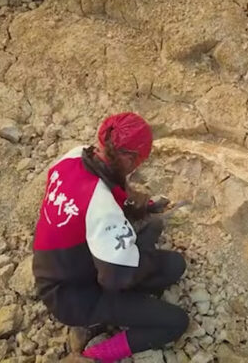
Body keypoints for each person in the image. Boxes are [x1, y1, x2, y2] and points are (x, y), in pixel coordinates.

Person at [32, 112, 189, 362]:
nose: (137, 167)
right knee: (176, 321)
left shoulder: (74, 156)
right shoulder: (103, 208)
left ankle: (124, 308)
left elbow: (109, 186)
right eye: (139, 160)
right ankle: (98, 353)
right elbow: (116, 279)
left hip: (57, 269)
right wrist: (142, 247)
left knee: (173, 264)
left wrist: (143, 205)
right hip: (74, 298)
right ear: (128, 157)